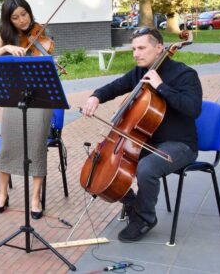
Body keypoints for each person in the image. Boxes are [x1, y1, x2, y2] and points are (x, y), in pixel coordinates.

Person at [82, 26, 202, 242]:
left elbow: (193, 109)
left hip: (180, 144)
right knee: (105, 165)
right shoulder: (140, 72)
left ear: (158, 48)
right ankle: (132, 203)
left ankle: (145, 218)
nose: (136, 53)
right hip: (148, 142)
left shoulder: (185, 74)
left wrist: (161, 87)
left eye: (141, 48)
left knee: (146, 169)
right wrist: (95, 96)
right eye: (134, 49)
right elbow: (116, 86)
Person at [0, 0, 52, 219]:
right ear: (8, 20)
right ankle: (3, 194)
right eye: (16, 17)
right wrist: (6, 49)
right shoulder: (6, 36)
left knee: (36, 146)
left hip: (40, 99)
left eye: (24, 14)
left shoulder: (41, 34)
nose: (22, 20)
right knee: (8, 146)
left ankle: (35, 198)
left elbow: (46, 55)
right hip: (14, 97)